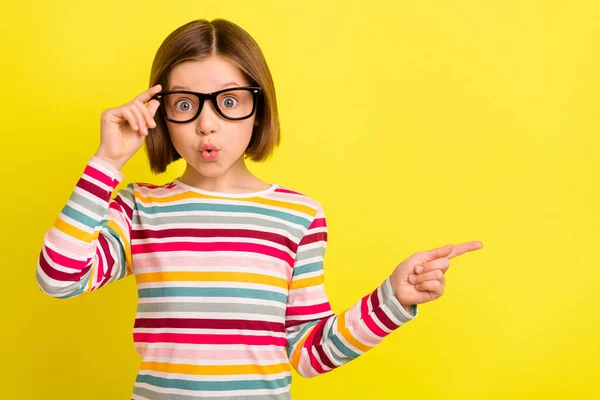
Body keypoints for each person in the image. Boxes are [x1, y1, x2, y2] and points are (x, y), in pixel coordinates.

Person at [36, 18, 483, 400]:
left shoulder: (298, 215)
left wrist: (391, 301)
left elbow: (307, 354)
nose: (206, 124)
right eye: (185, 105)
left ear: (258, 107)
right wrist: (108, 161)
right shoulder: (140, 209)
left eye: (229, 102)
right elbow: (58, 278)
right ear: (159, 113)